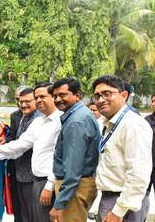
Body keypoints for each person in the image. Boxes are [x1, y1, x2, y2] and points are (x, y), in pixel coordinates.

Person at [0, 82, 62, 222]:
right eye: (36, 97)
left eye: (42, 96)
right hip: (37, 181)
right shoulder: (38, 122)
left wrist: (49, 186)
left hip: (49, 181)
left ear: (53, 97)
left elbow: (60, 158)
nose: (39, 101)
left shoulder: (61, 121)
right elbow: (21, 144)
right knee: (35, 217)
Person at [93, 75, 152, 221]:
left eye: (107, 94)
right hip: (111, 199)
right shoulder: (110, 123)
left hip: (122, 204)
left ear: (123, 95)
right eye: (97, 95)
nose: (101, 100)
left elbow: (138, 174)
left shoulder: (132, 124)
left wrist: (118, 211)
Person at [49, 77, 101, 222]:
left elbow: (73, 170)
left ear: (77, 95)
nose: (58, 99)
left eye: (63, 95)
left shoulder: (76, 122)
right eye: (55, 96)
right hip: (75, 187)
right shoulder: (78, 115)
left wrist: (59, 204)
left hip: (74, 189)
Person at [12, 87, 40, 222]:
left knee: (32, 214)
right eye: (20, 101)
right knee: (24, 212)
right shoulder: (25, 116)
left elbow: (22, 145)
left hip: (32, 177)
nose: (23, 105)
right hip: (20, 174)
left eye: (27, 101)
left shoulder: (38, 119)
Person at [147, 94, 155, 211]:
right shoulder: (146, 121)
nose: (153, 104)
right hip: (147, 166)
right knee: (141, 197)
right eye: (152, 101)